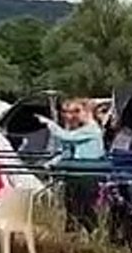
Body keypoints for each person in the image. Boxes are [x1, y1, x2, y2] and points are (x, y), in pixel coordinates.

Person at [37, 99, 105, 234]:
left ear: (87, 112)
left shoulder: (92, 129)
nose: (74, 115)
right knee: (72, 206)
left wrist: (49, 123)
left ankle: (94, 233)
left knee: (84, 208)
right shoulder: (82, 130)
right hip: (76, 172)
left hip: (86, 174)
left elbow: (66, 137)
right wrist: (52, 163)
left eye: (77, 111)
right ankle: (73, 235)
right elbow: (67, 151)